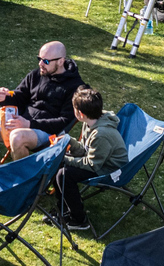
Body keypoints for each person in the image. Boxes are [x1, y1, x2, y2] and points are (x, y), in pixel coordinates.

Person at [0, 41, 84, 166]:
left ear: (61, 61)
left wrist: (29, 124)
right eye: (39, 59)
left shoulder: (76, 87)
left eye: (46, 61)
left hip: (47, 133)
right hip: (20, 123)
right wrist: (3, 97)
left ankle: (22, 176)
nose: (40, 64)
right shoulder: (36, 75)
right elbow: (19, 97)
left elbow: (64, 122)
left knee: (17, 137)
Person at [45, 85, 128, 230]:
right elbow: (85, 149)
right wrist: (69, 141)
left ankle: (79, 220)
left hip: (109, 169)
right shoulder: (90, 122)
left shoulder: (101, 134)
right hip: (97, 161)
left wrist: (65, 159)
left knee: (64, 174)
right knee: (59, 165)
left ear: (80, 114)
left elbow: (92, 164)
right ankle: (63, 209)